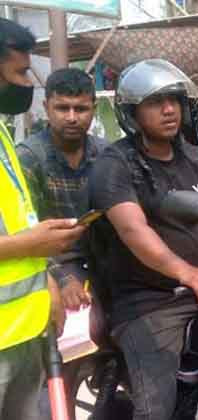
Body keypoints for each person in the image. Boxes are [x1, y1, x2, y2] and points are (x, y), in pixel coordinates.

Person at [88, 59, 198, 420]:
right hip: (149, 302)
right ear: (131, 113)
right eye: (155, 102)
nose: (169, 109)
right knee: (157, 408)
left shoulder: (196, 158)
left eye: (174, 100)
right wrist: (187, 273)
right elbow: (133, 230)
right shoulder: (116, 164)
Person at [0, 17, 85, 420]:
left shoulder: (1, 134)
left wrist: (47, 276)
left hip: (22, 335)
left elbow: (18, 219)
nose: (26, 84)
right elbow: (22, 238)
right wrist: (30, 246)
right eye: (19, 72)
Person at [16, 67, 107, 420]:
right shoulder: (30, 157)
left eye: (80, 109)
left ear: (93, 109)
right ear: (47, 107)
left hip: (102, 262)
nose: (72, 117)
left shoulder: (105, 153)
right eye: (62, 108)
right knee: (66, 348)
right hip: (50, 265)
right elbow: (26, 230)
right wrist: (61, 277)